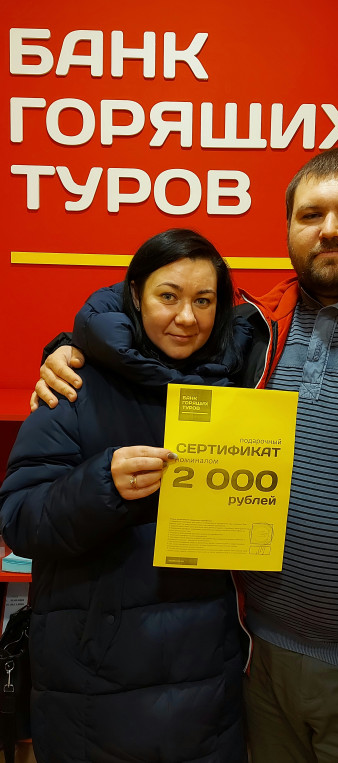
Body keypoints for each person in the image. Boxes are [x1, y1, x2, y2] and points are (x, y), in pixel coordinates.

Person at [28, 149, 338, 763]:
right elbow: (144, 327)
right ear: (289, 228)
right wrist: (67, 348)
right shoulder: (251, 332)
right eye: (311, 214)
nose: (329, 228)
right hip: (252, 665)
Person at [0, 229, 253, 763]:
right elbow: (19, 519)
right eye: (169, 296)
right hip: (96, 681)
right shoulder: (75, 383)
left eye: (204, 301)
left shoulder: (243, 386)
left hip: (211, 679)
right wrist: (101, 485)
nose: (186, 317)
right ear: (135, 295)